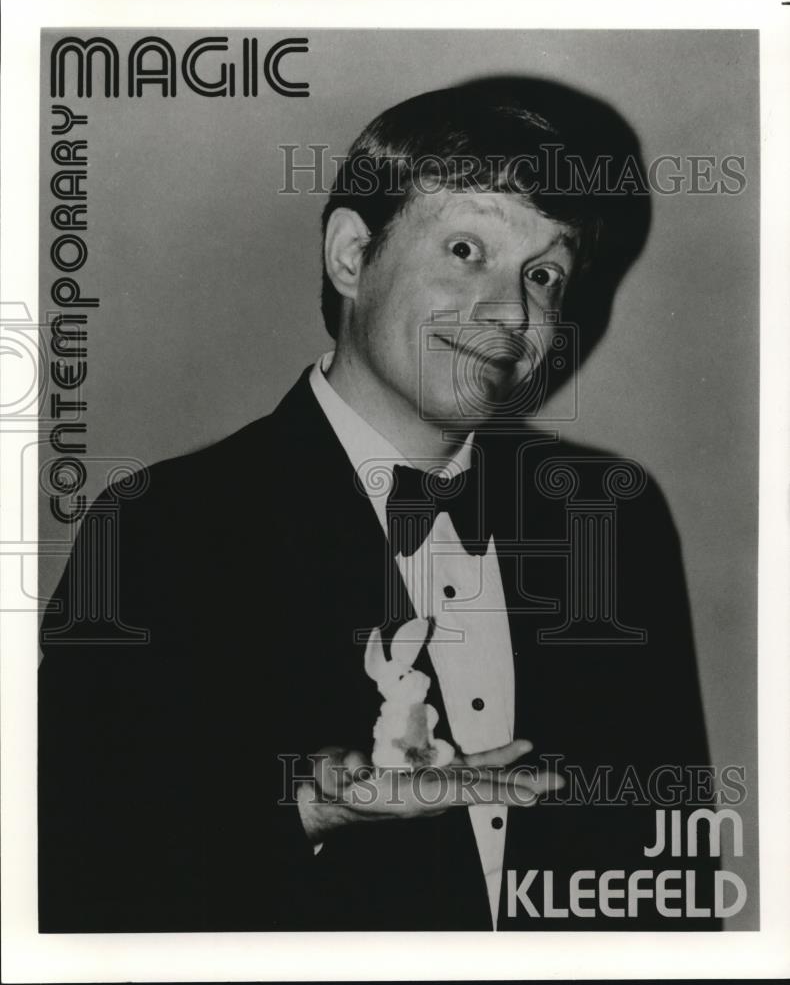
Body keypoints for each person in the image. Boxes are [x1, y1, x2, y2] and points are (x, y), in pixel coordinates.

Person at [38, 81, 719, 932]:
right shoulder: (160, 528)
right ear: (352, 256)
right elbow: (70, 879)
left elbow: (671, 879)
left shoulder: (614, 521)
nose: (510, 310)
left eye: (543, 273)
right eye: (467, 249)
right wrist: (309, 813)